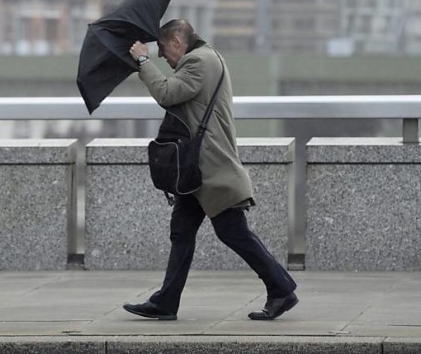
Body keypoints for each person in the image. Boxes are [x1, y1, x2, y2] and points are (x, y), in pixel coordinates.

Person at [123, 19, 298, 321]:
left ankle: (281, 288)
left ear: (177, 41)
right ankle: (166, 302)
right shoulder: (204, 59)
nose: (162, 57)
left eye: (163, 49)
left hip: (211, 169)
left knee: (234, 232)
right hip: (197, 172)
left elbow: (166, 94)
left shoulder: (198, 62)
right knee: (181, 233)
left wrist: (143, 60)